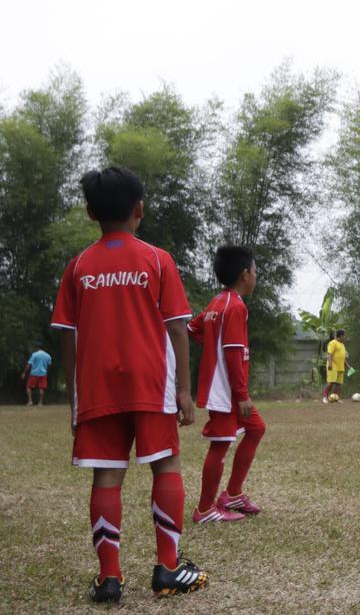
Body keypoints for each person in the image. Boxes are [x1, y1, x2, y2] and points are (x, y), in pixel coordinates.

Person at [51, 166, 208, 602]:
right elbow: (178, 328)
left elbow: (69, 337)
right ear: (139, 210)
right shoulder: (157, 259)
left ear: (90, 212)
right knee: (166, 466)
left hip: (97, 387)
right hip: (151, 382)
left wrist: (73, 399)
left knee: (106, 476)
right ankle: (168, 570)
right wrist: (183, 389)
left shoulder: (78, 266)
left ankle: (110, 580)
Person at [189, 245, 266, 524]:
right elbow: (233, 352)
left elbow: (192, 329)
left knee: (256, 429)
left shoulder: (216, 302)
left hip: (226, 387)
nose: (256, 276)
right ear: (245, 274)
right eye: (256, 271)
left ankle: (232, 494)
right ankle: (205, 509)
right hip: (226, 390)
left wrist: (212, 346)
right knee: (220, 445)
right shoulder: (235, 306)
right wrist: (242, 394)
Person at [323, 330, 348, 403]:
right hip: (333, 366)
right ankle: (325, 397)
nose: (345, 337)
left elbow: (343, 357)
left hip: (340, 367)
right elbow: (329, 354)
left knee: (338, 384)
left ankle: (336, 398)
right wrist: (330, 364)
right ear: (340, 336)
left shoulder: (342, 345)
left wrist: (347, 365)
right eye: (344, 336)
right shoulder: (333, 343)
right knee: (331, 382)